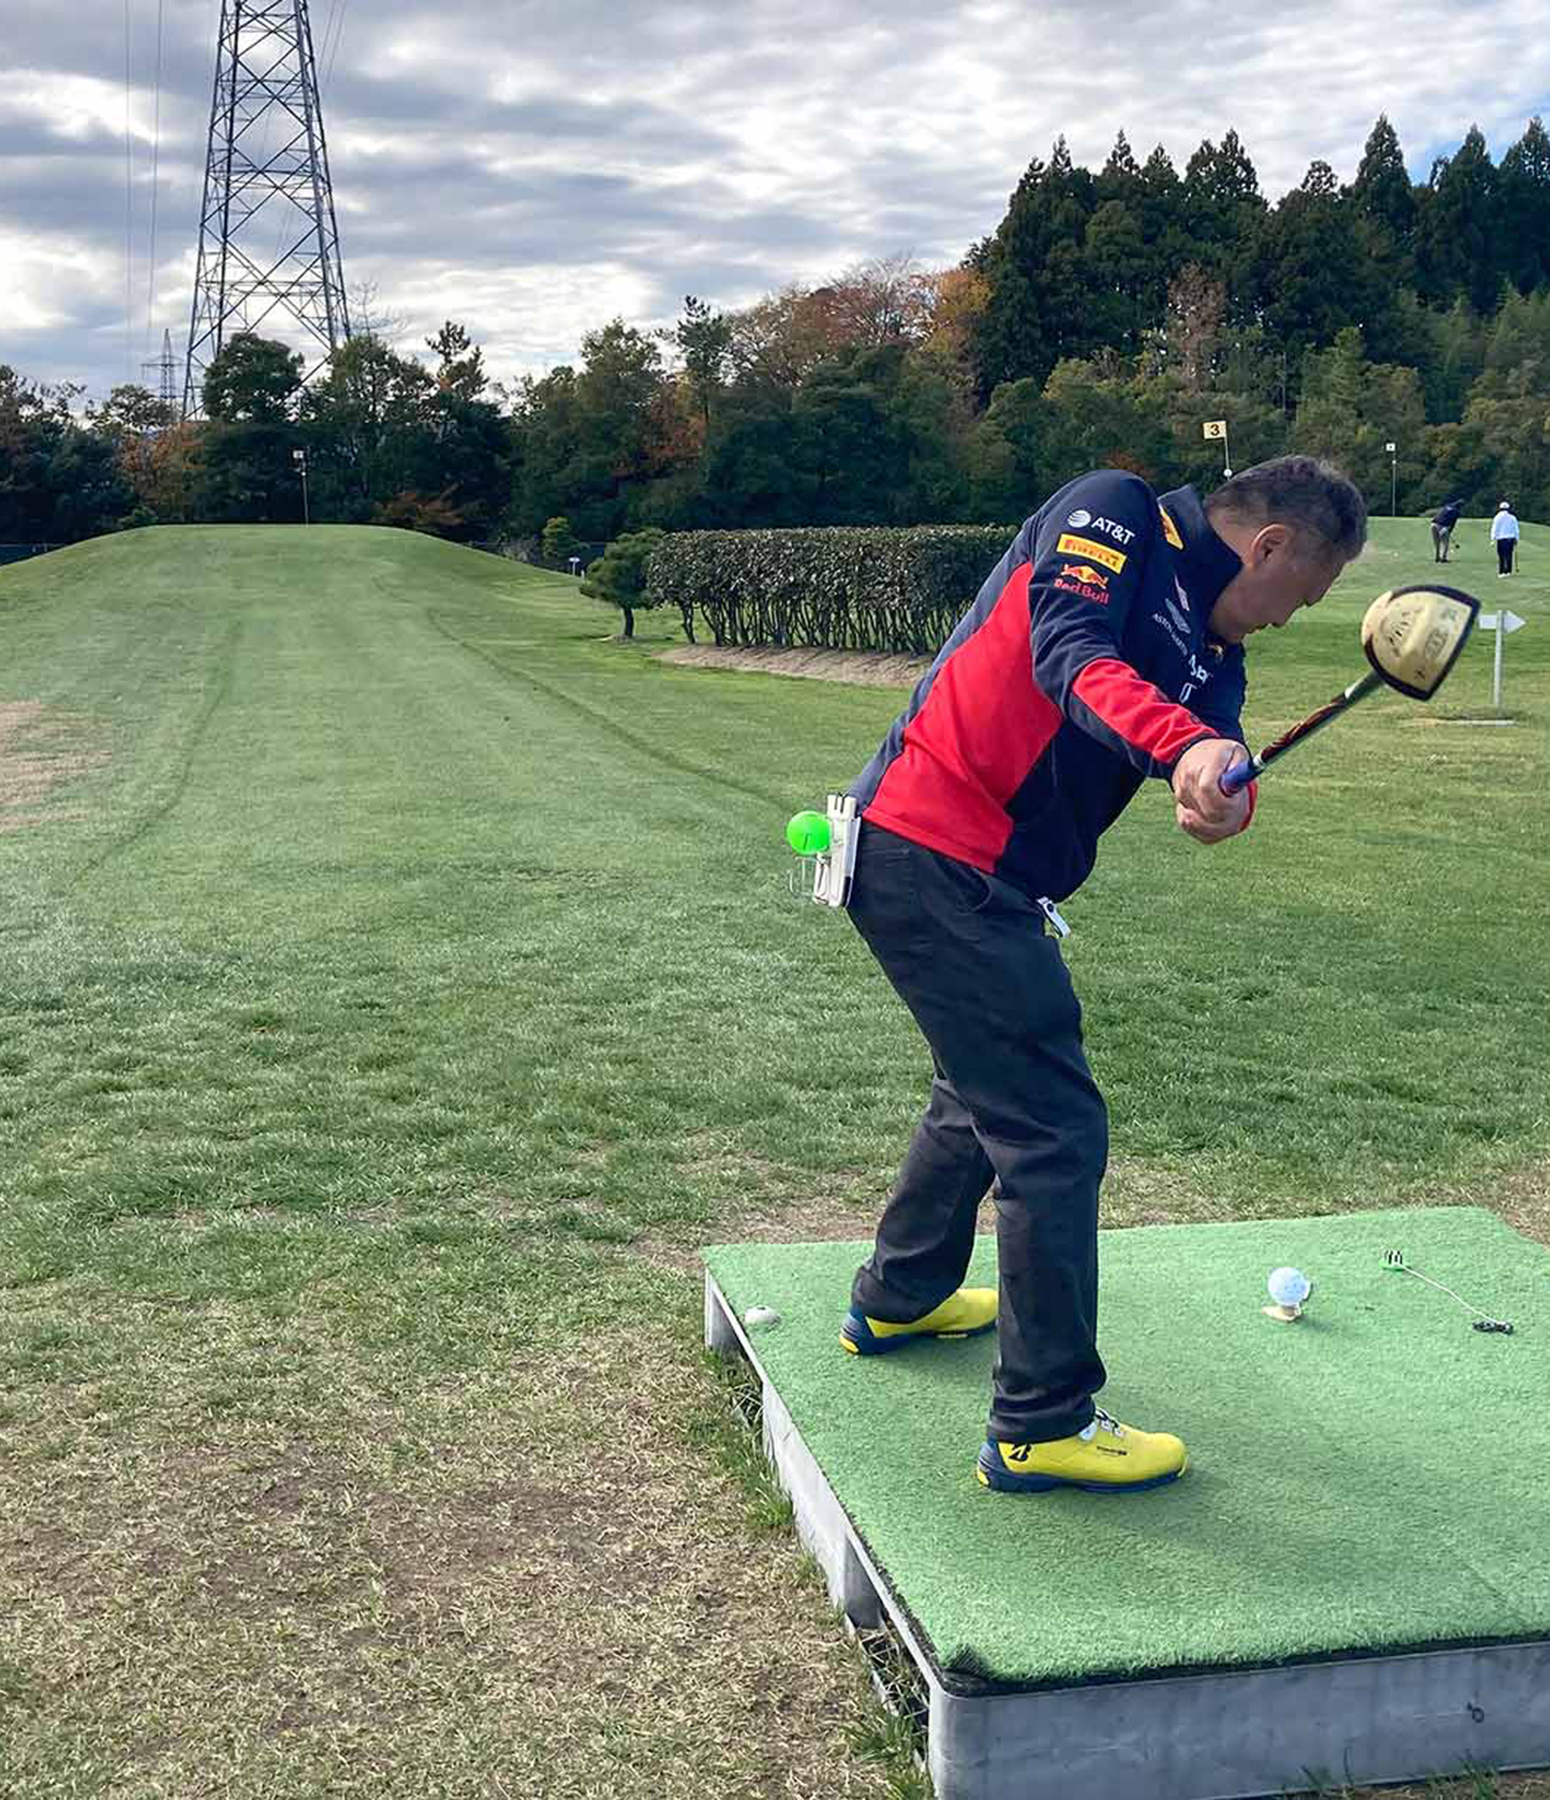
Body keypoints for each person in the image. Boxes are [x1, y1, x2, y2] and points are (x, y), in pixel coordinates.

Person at [840, 456, 1366, 1496]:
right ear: (1265, 547)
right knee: (1050, 1129)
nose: (1286, 618)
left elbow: (1214, 757)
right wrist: (1179, 751)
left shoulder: (1214, 653)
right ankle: (1039, 1423)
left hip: (984, 876)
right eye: (1297, 594)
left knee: (981, 1088)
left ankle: (898, 1296)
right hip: (931, 846)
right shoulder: (1113, 512)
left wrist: (1218, 798)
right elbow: (1065, 650)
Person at [1491, 500, 1520, 575]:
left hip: (1501, 539)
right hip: (1510, 539)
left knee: (1501, 556)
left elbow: (1495, 528)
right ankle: (1508, 571)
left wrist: (1493, 539)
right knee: (1509, 555)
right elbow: (1516, 529)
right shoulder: (1512, 517)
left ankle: (1501, 572)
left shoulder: (1497, 517)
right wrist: (1516, 539)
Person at [1431, 498, 1463, 562]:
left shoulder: (1447, 506)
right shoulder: (1456, 512)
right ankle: (1443, 558)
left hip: (1433, 524)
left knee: (1437, 543)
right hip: (1443, 527)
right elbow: (1453, 523)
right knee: (1445, 543)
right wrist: (1449, 531)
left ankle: (1437, 557)